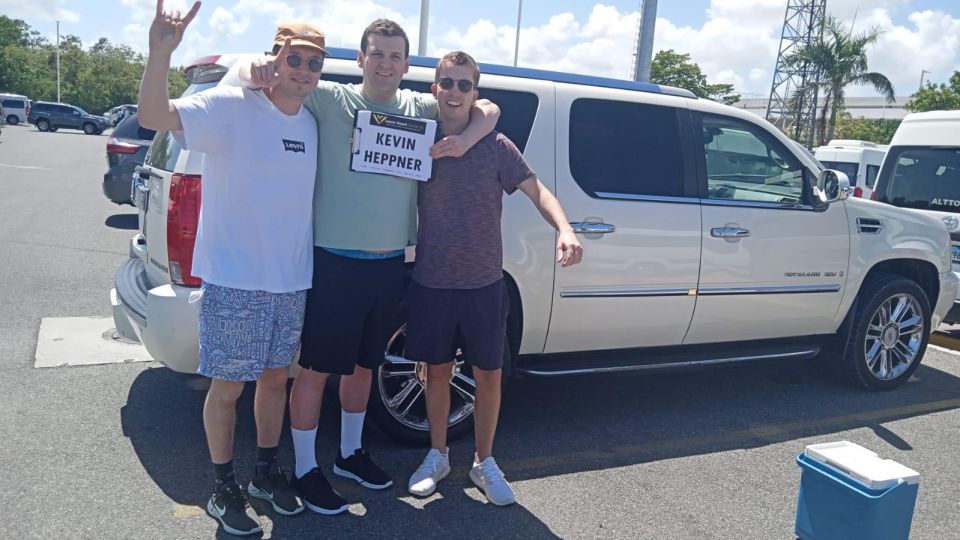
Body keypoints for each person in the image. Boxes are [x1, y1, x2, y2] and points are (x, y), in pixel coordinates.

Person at [245, 19, 500, 515]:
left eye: (395, 55)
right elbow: (268, 79)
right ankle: (303, 468)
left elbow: (487, 107)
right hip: (334, 261)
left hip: (389, 264)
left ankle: (349, 454)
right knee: (317, 370)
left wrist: (469, 140)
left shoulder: (420, 107)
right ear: (360, 59)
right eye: (376, 54)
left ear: (407, 65)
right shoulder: (331, 99)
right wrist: (259, 62)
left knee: (365, 366)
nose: (385, 62)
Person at [139, 1, 325, 535]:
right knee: (227, 388)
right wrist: (160, 53)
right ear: (275, 57)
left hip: (291, 281)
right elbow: (155, 116)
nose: (305, 72)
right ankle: (224, 488)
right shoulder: (230, 106)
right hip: (237, 280)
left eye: (315, 64)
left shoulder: (312, 124)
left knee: (274, 384)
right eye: (296, 60)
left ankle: (266, 473)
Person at [405, 51, 582, 506]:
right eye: (448, 83)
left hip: (485, 282)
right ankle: (437, 455)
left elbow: (537, 189)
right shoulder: (417, 140)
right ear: (435, 89)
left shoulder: (497, 146)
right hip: (431, 280)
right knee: (437, 372)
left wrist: (564, 228)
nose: (456, 92)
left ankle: (485, 462)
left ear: (475, 93)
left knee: (489, 375)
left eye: (465, 85)